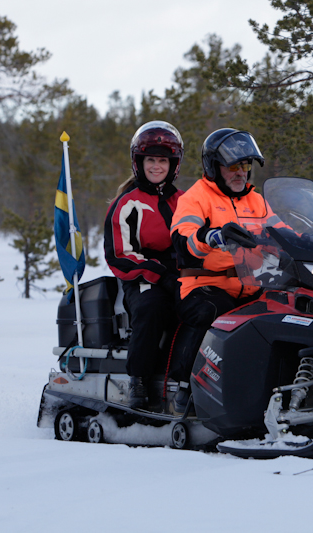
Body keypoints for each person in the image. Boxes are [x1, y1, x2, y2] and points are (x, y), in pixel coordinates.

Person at [168, 128, 276, 407]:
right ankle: (183, 385)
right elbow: (183, 238)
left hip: (251, 284)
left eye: (245, 166)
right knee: (213, 313)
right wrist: (210, 236)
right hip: (204, 284)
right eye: (233, 166)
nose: (241, 173)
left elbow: (284, 232)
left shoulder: (256, 201)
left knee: (283, 314)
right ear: (214, 167)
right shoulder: (196, 197)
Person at [104, 120, 184, 409]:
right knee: (152, 308)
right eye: (150, 159)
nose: (156, 166)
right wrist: (160, 274)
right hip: (141, 276)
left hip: (182, 274)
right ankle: (138, 379)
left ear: (173, 164)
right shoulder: (127, 203)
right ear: (139, 162)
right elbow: (119, 254)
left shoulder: (184, 201)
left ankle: (188, 378)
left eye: (162, 160)